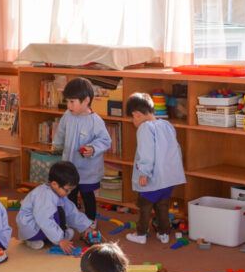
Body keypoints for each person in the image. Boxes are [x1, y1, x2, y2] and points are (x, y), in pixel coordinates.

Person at [124, 93, 186, 245]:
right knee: (162, 205)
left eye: (132, 119)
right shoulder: (166, 125)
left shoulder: (145, 128)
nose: (133, 122)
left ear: (136, 114)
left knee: (144, 206)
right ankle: (164, 233)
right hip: (169, 177)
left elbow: (146, 152)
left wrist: (144, 172)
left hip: (154, 177)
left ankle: (140, 234)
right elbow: (176, 149)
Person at [51, 77, 111, 223]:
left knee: (87, 195)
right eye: (67, 101)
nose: (69, 106)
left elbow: (105, 140)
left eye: (72, 102)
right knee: (69, 194)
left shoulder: (95, 121)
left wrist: (93, 148)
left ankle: (90, 220)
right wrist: (57, 145)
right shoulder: (67, 115)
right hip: (69, 167)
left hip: (88, 170)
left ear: (86, 101)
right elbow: (61, 131)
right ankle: (71, 218)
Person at [17, 161, 98, 253]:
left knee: (62, 210)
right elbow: (44, 220)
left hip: (40, 225)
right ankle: (31, 240)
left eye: (71, 190)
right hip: (31, 229)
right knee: (57, 212)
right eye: (67, 190)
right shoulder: (45, 195)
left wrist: (86, 226)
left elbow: (71, 212)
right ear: (54, 184)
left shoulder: (58, 192)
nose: (69, 193)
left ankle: (50, 237)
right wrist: (60, 239)